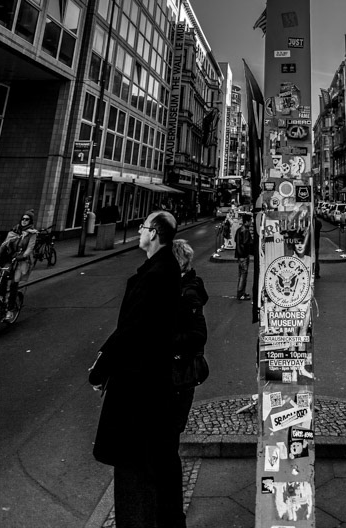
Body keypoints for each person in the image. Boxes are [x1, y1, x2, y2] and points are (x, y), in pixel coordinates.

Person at [89, 210, 186, 528]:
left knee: (133, 466)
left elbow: (133, 329)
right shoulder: (162, 270)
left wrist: (101, 368)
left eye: (143, 227)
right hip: (148, 382)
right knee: (150, 462)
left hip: (138, 386)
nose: (139, 232)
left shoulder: (157, 274)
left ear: (154, 233)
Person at [172, 238, 209, 434]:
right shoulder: (182, 288)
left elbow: (198, 335)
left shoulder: (187, 293)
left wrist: (166, 340)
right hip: (178, 370)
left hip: (180, 371)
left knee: (170, 429)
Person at [0, 211, 37, 320]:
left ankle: (10, 309)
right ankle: (1, 297)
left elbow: (30, 247)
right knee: (3, 277)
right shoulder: (14, 231)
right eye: (23, 219)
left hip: (22, 260)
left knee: (14, 283)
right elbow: (4, 244)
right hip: (11, 258)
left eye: (27, 219)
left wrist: (24, 256)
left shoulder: (32, 234)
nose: (24, 221)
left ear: (30, 221)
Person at [234, 213, 253, 300]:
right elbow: (246, 243)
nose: (251, 222)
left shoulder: (239, 229)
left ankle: (241, 292)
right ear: (246, 222)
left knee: (241, 274)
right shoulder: (245, 230)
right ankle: (241, 294)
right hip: (243, 255)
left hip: (239, 255)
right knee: (243, 275)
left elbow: (236, 239)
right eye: (250, 221)